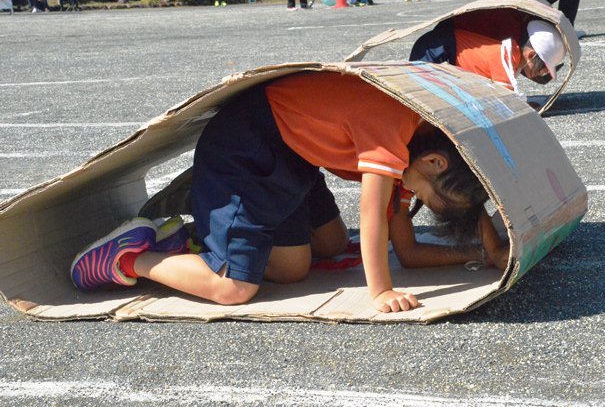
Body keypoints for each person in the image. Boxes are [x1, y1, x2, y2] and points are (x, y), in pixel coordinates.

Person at [70, 72, 507, 313]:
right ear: (435, 164)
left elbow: (410, 251)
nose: (421, 205)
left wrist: (485, 251)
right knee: (234, 288)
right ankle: (134, 256)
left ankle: (199, 229)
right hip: (246, 149)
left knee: (324, 250)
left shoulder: (427, 149)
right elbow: (373, 218)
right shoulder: (392, 133)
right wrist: (380, 293)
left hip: (294, 153)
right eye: (435, 202)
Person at [409, 10, 566, 96]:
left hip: (441, 44)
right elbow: (505, 102)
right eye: (544, 68)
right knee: (425, 102)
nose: (543, 74)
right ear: (531, 55)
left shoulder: (512, 48)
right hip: (436, 50)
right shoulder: (507, 52)